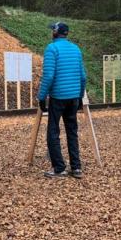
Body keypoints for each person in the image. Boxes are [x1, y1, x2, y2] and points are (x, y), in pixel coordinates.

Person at [37, 22, 87, 178]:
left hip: (58, 97)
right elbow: (83, 77)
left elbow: (49, 76)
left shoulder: (52, 49)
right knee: (72, 131)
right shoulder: (76, 49)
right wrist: (79, 96)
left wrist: (41, 97)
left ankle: (59, 168)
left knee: (53, 132)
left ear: (55, 32)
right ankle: (76, 168)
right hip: (73, 97)